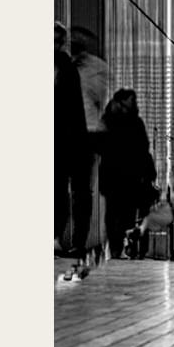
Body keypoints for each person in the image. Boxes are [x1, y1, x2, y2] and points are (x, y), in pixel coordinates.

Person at [98, 89, 157, 259]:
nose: (132, 104)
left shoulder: (127, 122)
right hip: (118, 174)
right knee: (117, 213)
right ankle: (118, 247)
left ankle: (120, 247)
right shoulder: (113, 121)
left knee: (123, 214)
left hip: (126, 175)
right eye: (130, 101)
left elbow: (143, 148)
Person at [70, 27, 110, 263]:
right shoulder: (62, 64)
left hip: (87, 132)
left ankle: (78, 241)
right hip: (65, 131)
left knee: (81, 190)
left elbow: (101, 99)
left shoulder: (96, 68)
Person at [54, 22, 91, 270]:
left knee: (72, 192)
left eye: (57, 41)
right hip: (62, 139)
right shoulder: (66, 67)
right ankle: (58, 236)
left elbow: (74, 110)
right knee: (59, 191)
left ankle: (74, 241)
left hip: (69, 140)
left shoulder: (67, 68)